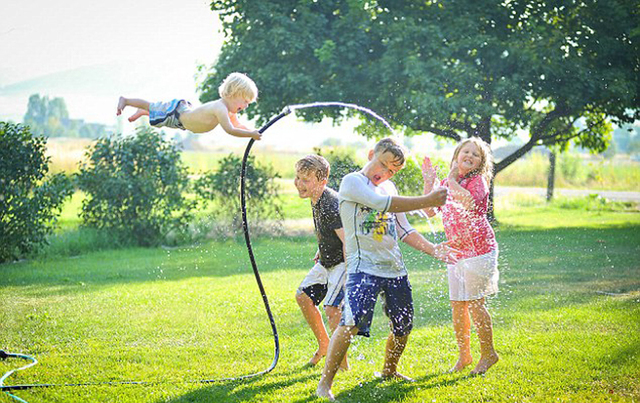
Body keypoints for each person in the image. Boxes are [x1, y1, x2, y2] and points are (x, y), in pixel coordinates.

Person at [316, 137, 459, 401]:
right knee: (350, 323)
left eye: (392, 171)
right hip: (363, 268)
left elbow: (404, 229)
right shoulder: (353, 182)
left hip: (394, 269)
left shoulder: (389, 186)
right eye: (383, 164)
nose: (385, 173)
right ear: (372, 154)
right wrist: (426, 198)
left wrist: (433, 248)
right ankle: (325, 384)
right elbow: (383, 205)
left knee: (403, 325)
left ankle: (389, 370)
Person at [421, 137, 500, 375]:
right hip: (457, 252)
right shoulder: (447, 182)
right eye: (465, 151)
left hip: (479, 252)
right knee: (458, 305)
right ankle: (464, 356)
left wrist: (452, 180)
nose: (469, 156)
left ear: (480, 163)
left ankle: (488, 354)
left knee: (476, 304)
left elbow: (469, 202)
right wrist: (429, 182)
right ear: (456, 156)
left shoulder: (478, 182)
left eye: (475, 155)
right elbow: (429, 210)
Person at [294, 155, 348, 370]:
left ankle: (342, 366)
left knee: (333, 310)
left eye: (306, 180)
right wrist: (322, 248)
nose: (299, 183)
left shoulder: (330, 204)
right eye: (298, 177)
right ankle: (325, 344)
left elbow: (348, 239)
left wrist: (350, 272)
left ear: (322, 181)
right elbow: (330, 231)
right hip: (327, 261)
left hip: (342, 263)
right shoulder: (316, 198)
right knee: (303, 297)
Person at [116, 72, 262, 141]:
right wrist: (251, 135)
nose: (246, 105)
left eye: (248, 103)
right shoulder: (220, 108)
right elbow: (230, 130)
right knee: (151, 106)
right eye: (244, 101)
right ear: (232, 93)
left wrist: (253, 131)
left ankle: (144, 111)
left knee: (157, 117)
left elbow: (238, 125)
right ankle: (126, 100)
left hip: (181, 122)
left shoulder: (229, 112)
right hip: (177, 113)